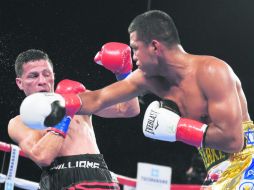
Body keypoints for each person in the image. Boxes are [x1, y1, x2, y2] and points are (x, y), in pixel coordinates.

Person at [20, 10, 254, 189]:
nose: (132, 56)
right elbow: (100, 98)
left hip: (247, 161)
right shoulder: (147, 78)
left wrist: (177, 128)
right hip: (215, 168)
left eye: (135, 48)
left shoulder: (212, 71)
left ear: (154, 46)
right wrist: (63, 104)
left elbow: (233, 141)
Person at [8, 48, 140, 189]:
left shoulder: (78, 97)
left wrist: (124, 73)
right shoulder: (20, 122)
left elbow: (128, 109)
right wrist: (66, 113)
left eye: (46, 74)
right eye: (33, 76)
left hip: (99, 177)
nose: (42, 81)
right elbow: (43, 157)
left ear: (53, 75)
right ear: (20, 82)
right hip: (60, 181)